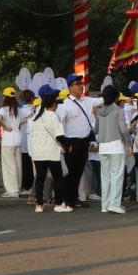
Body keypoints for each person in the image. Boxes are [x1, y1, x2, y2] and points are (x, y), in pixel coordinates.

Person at [58, 74, 97, 210]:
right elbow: (59, 125)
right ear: (69, 87)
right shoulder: (65, 105)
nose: (81, 85)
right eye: (76, 84)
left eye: (81, 83)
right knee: (70, 172)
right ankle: (65, 199)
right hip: (71, 142)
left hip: (83, 142)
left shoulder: (87, 101)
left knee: (79, 172)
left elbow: (104, 100)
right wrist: (64, 143)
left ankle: (73, 199)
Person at [27, 87, 65, 212]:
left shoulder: (35, 118)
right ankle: (58, 204)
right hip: (52, 152)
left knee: (40, 178)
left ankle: (39, 205)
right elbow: (59, 136)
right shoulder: (54, 117)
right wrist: (67, 145)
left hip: (38, 152)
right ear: (54, 104)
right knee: (57, 177)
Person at [93, 86, 130, 214]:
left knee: (105, 177)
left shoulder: (99, 112)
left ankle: (105, 204)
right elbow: (123, 130)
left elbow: (95, 130)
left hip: (102, 146)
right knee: (117, 176)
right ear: (116, 97)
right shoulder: (119, 111)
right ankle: (114, 204)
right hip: (116, 145)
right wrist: (129, 144)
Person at [0, 91, 23, 198]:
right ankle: (17, 188)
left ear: (6, 97)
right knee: (18, 165)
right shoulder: (18, 109)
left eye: (3, 96)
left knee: (9, 166)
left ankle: (12, 190)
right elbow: (21, 122)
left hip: (8, 140)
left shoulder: (3, 109)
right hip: (18, 139)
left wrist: (5, 126)